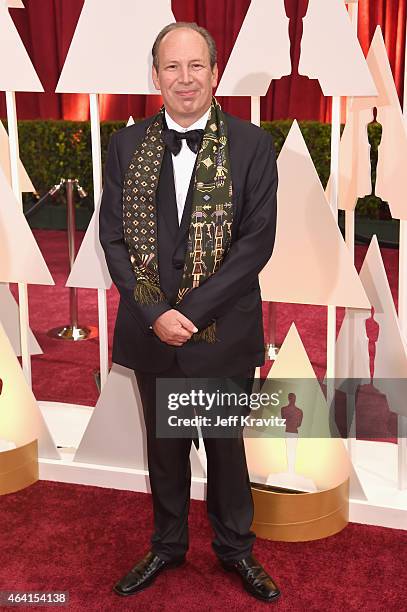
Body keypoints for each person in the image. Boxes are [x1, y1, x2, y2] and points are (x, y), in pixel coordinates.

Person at [99, 22, 279, 603]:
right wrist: (154, 311)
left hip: (221, 333)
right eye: (171, 67)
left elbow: (255, 244)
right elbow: (113, 239)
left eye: (195, 66)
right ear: (155, 76)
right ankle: (167, 545)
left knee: (226, 450)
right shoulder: (124, 146)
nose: (184, 78)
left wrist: (192, 312)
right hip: (154, 333)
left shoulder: (253, 146)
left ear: (215, 73)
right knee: (165, 449)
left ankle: (236, 551)